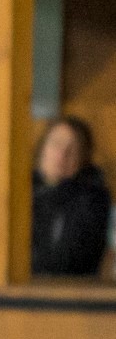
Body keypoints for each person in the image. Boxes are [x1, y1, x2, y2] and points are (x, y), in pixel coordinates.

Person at [30, 117, 110, 278]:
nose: (62, 155)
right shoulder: (17, 191)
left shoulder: (92, 200)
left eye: (72, 149)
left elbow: (71, 259)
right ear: (42, 148)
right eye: (56, 144)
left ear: (83, 158)